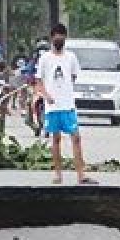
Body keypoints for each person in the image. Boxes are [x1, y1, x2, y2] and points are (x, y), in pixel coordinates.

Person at [35, 23, 95, 185]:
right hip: (52, 107)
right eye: (57, 36)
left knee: (76, 137)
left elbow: (73, 77)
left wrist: (64, 90)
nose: (59, 38)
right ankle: (57, 174)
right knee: (56, 139)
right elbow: (38, 81)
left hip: (68, 105)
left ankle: (81, 174)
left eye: (62, 35)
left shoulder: (71, 57)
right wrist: (46, 95)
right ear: (52, 38)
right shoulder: (45, 58)